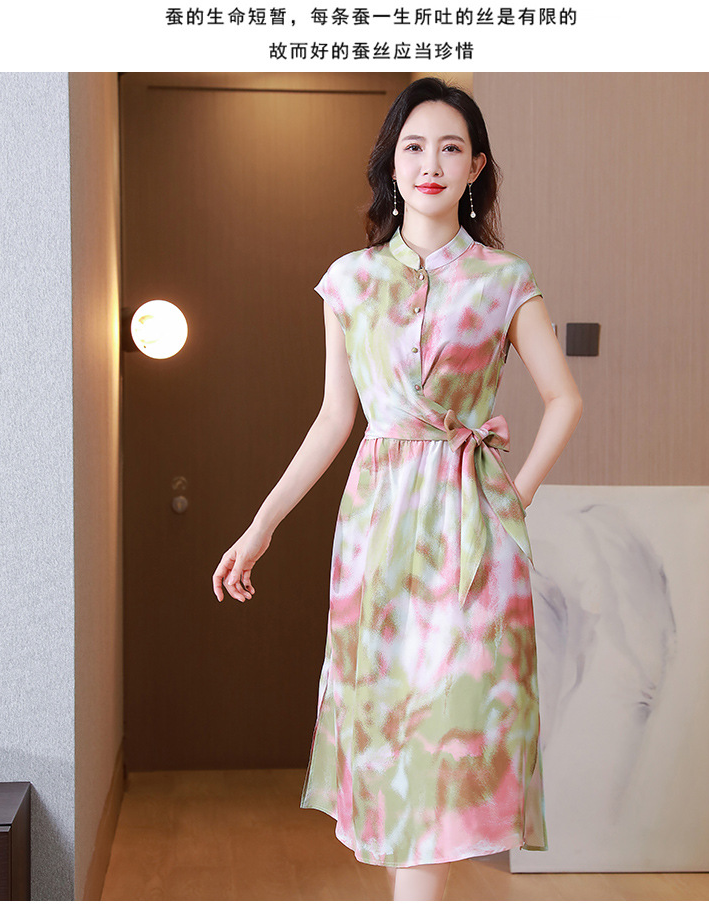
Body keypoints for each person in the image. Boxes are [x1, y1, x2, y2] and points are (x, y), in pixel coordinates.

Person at [212, 77, 583, 902]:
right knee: (388, 740)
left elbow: (565, 399)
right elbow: (333, 419)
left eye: (452, 148)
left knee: (450, 731)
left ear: (476, 167)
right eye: (414, 147)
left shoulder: (504, 279)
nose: (431, 163)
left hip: (472, 534)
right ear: (390, 163)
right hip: (376, 535)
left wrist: (513, 498)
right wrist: (262, 525)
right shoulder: (348, 281)